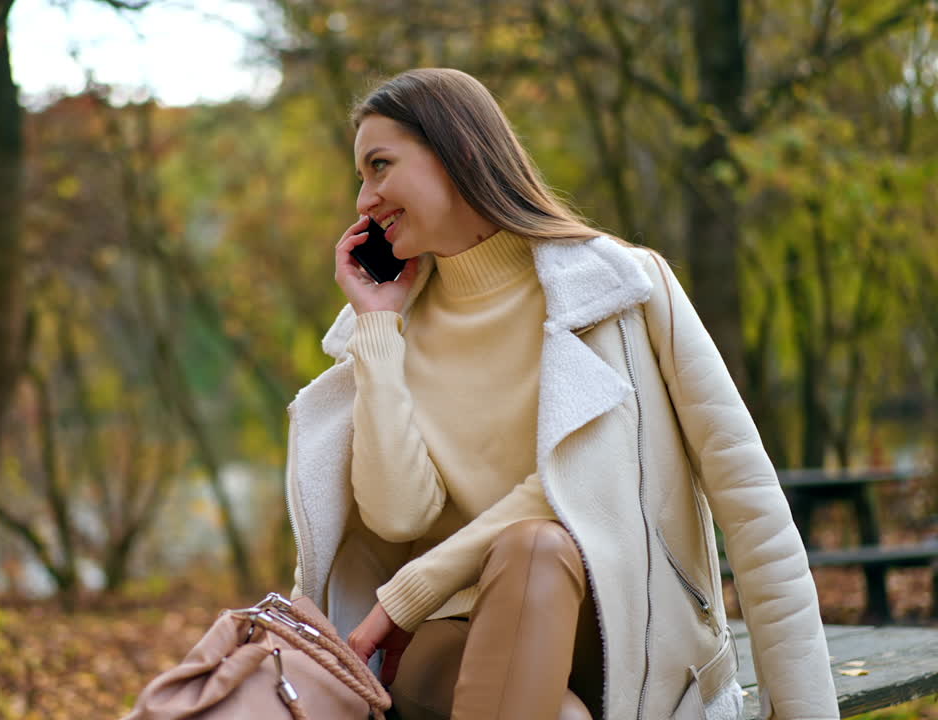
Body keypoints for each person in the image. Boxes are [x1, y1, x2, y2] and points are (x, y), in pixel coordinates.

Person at [283, 68, 839, 720]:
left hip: (631, 637)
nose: (364, 199)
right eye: (361, 175)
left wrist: (804, 712)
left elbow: (754, 514)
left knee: (536, 547)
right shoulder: (395, 332)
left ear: (459, 150)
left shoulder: (622, 291)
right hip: (453, 640)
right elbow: (399, 517)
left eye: (380, 166)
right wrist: (377, 327)